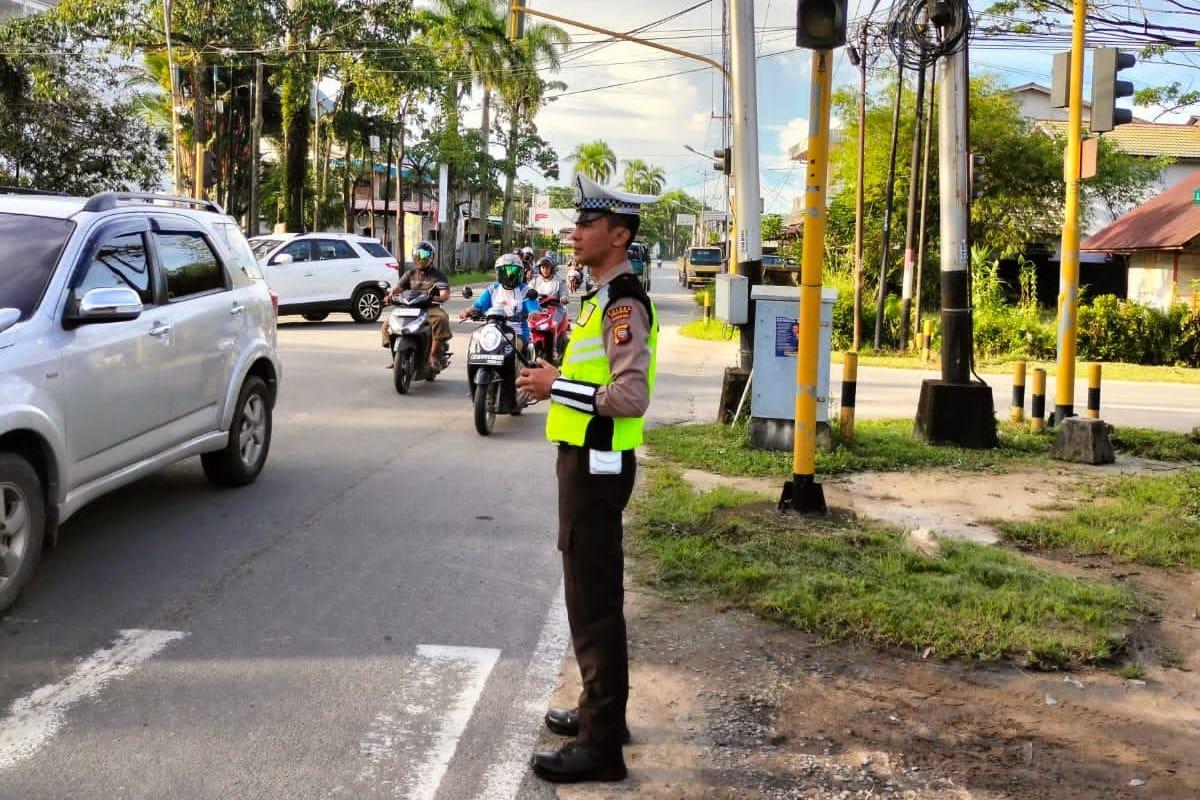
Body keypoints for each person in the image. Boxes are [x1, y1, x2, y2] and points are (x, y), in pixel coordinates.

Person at [516, 173, 658, 784]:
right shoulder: (600, 296)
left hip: (596, 466)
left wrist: (556, 387)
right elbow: (594, 378)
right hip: (587, 460)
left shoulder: (623, 303)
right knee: (594, 594)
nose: (574, 233)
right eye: (575, 223)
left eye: (587, 224)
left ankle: (600, 747)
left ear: (618, 235)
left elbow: (629, 396)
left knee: (592, 601)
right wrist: (557, 379)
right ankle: (604, 715)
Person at [381, 241, 451, 369]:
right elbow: (397, 289)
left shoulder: (438, 276)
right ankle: (396, 356)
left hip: (429, 307)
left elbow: (444, 295)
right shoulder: (410, 274)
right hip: (409, 306)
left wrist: (432, 298)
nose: (420, 258)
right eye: (417, 255)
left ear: (431, 257)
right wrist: (390, 296)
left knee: (441, 319)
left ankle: (433, 355)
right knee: (388, 323)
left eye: (424, 255)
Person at [458, 253, 540, 350]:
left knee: (512, 348)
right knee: (477, 345)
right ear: (498, 273)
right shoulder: (492, 289)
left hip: (518, 332)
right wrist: (468, 311)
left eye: (513, 271)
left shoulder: (526, 291)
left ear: (520, 273)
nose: (509, 275)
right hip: (492, 331)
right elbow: (478, 305)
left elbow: (533, 308)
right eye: (505, 271)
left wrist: (534, 313)